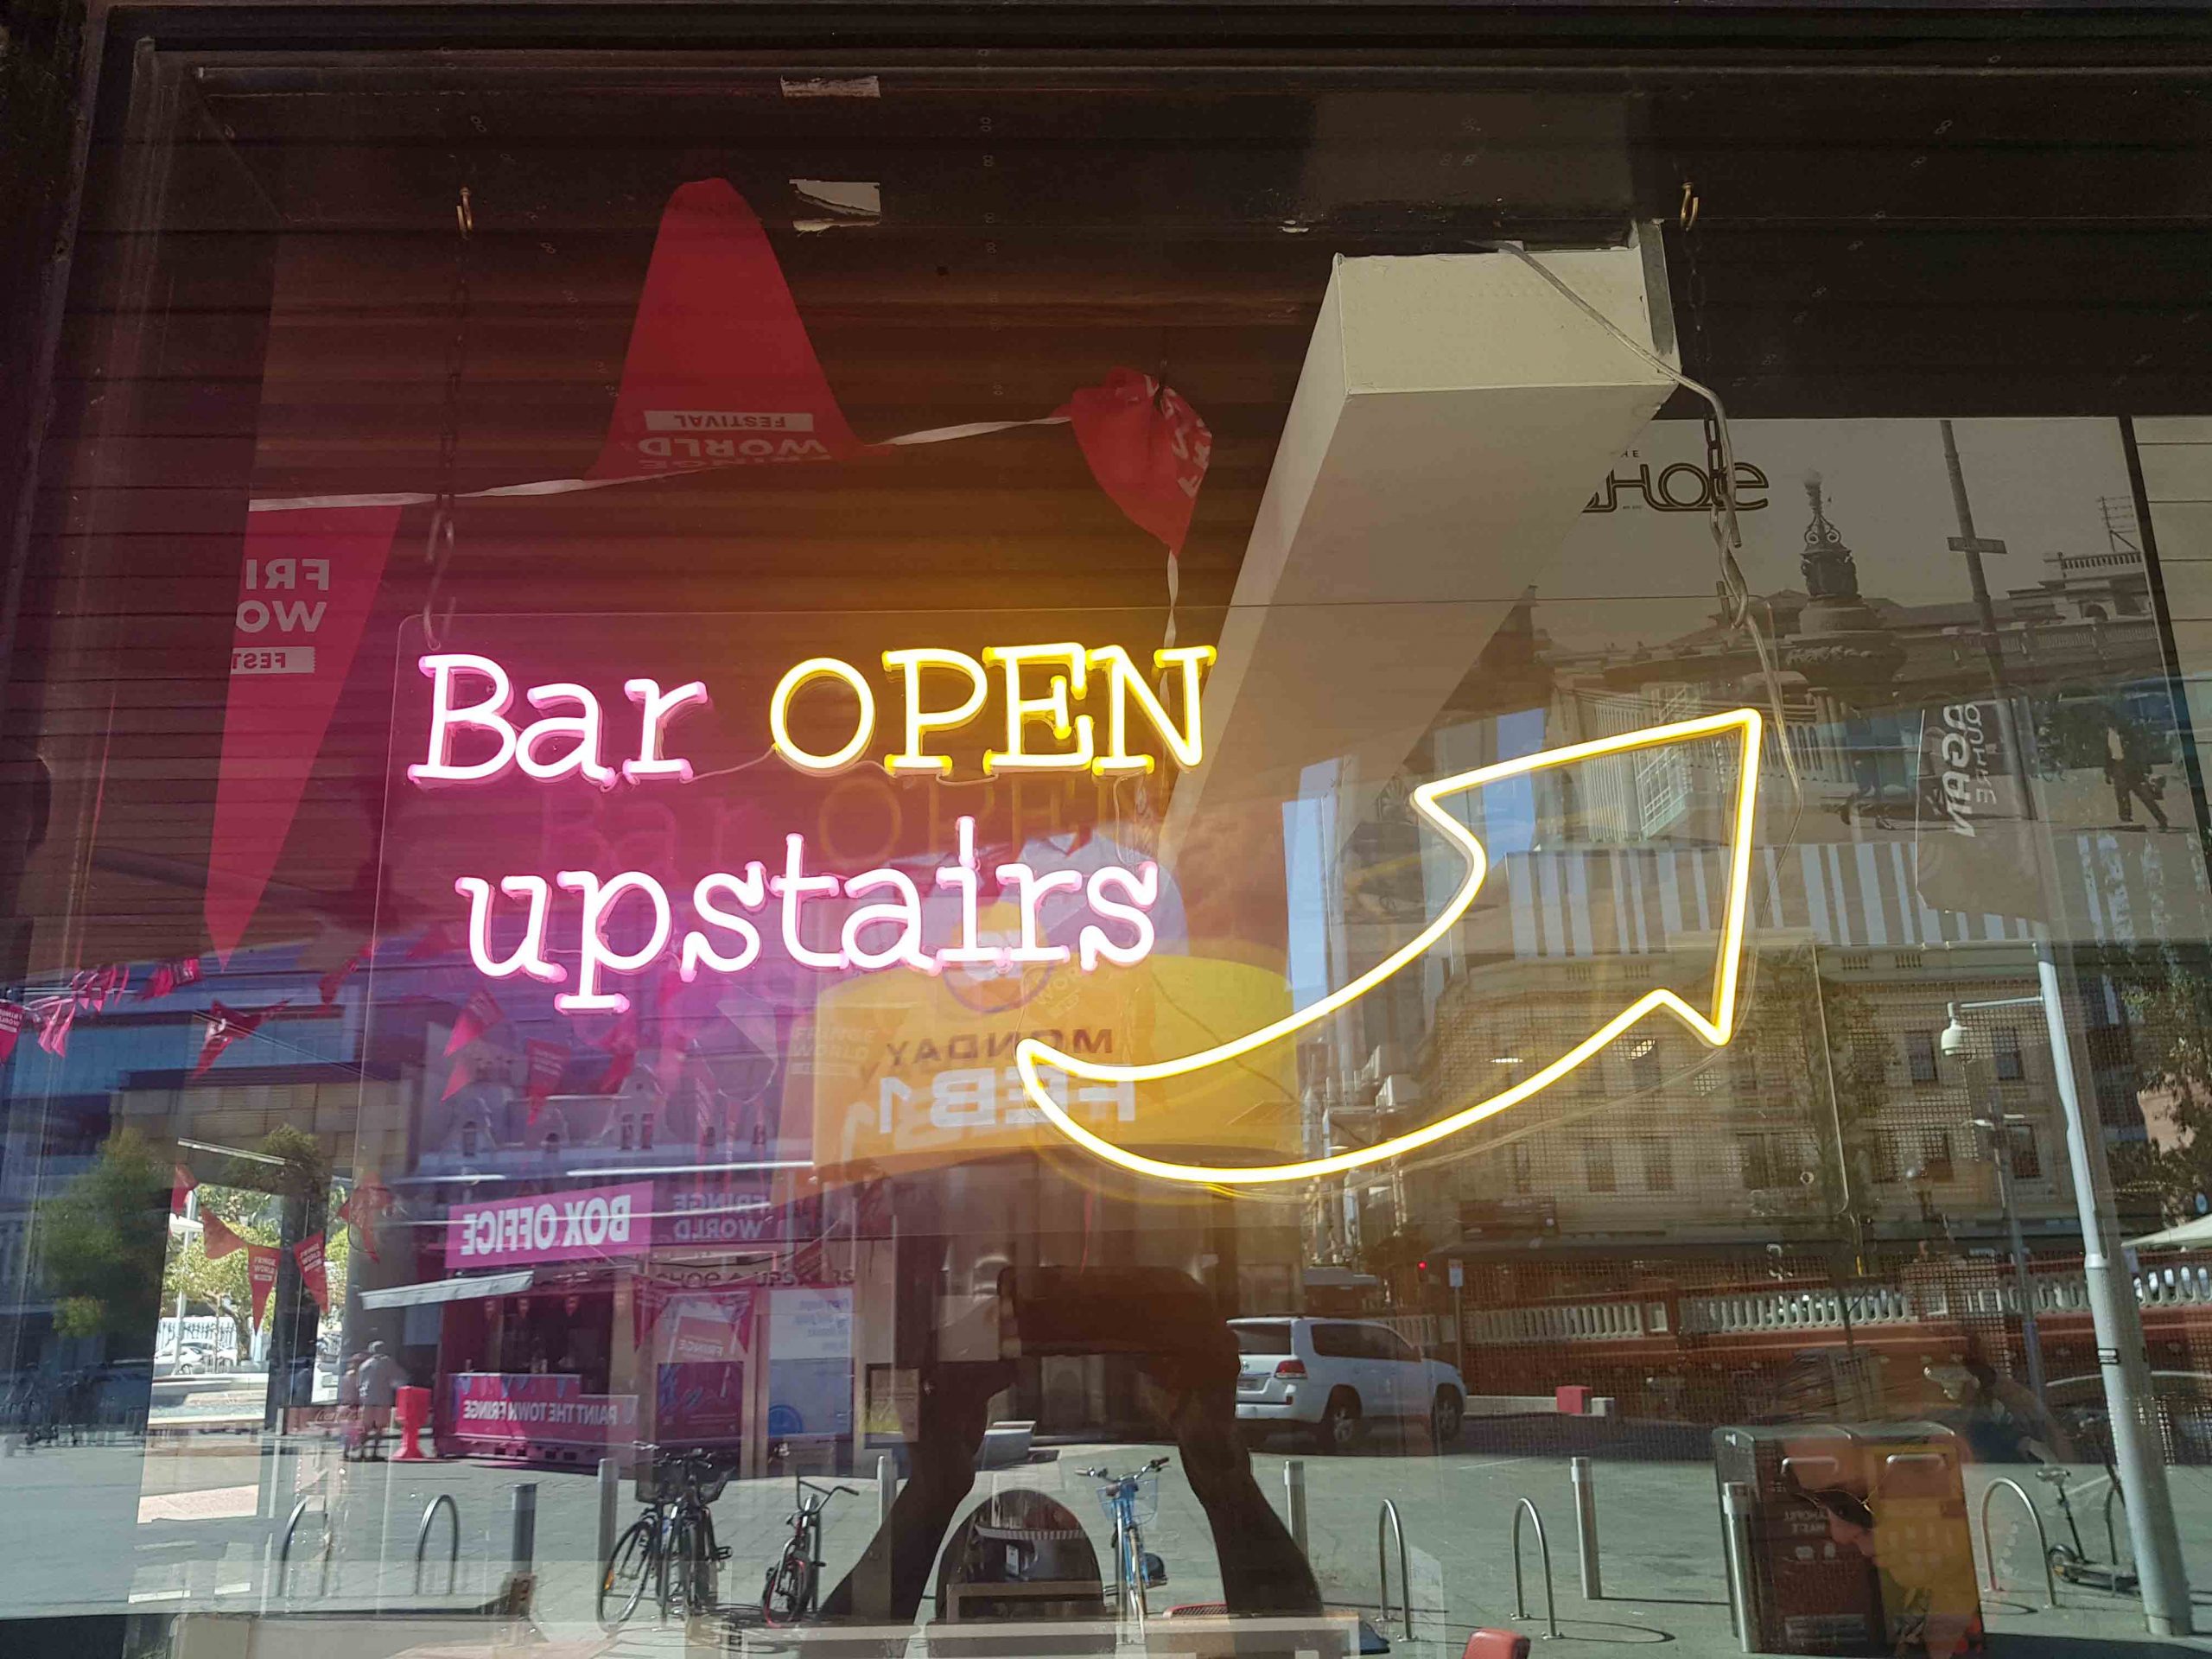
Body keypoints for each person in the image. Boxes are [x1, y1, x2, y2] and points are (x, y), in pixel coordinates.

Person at [356, 1341, 403, 1460]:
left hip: (366, 1399)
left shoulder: (364, 1365)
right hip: (382, 1398)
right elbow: (397, 1379)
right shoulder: (387, 1362)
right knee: (380, 1427)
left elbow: (359, 1383)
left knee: (365, 1426)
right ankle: (374, 1452)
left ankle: (362, 1452)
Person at [336, 1354, 363, 1459]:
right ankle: (348, 1449)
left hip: (345, 1404)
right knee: (351, 1429)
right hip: (352, 1405)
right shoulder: (356, 1377)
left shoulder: (346, 1376)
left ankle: (346, 1450)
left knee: (348, 1430)